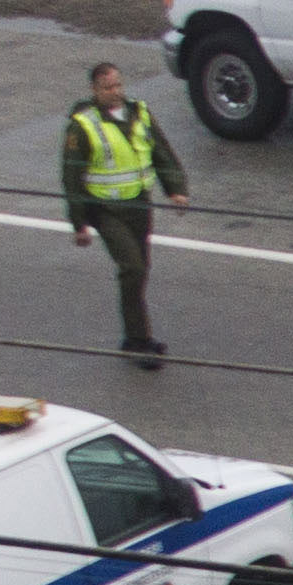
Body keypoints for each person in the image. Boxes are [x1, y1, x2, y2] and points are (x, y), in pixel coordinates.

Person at [58, 61, 186, 365]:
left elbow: (161, 153)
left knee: (141, 268)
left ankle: (135, 335)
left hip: (139, 206)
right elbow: (71, 177)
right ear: (94, 90)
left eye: (118, 85)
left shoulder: (139, 113)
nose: (115, 92)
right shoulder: (83, 124)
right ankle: (138, 341)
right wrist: (79, 224)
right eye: (107, 87)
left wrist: (175, 188)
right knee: (133, 268)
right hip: (106, 211)